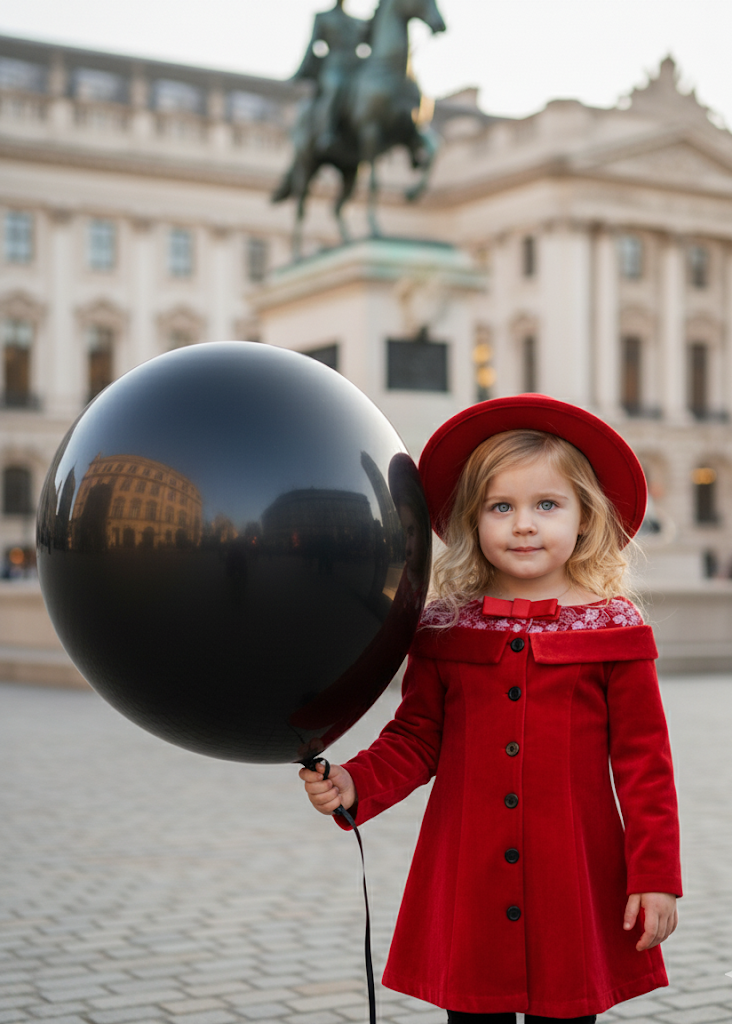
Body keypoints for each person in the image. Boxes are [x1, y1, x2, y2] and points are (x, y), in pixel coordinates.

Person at [300, 394, 682, 1024]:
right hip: (470, 875)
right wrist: (353, 782)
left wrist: (657, 875)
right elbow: (417, 735)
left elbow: (645, 763)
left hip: (573, 876)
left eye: (546, 505)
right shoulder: (446, 626)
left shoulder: (612, 627)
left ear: (585, 518)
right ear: (472, 521)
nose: (523, 524)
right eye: (500, 507)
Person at [292, 0, 370, 152]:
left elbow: (368, 42)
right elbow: (312, 45)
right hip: (333, 67)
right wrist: (302, 71)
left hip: (355, 69)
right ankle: (327, 132)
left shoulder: (357, 21)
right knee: (336, 87)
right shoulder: (323, 17)